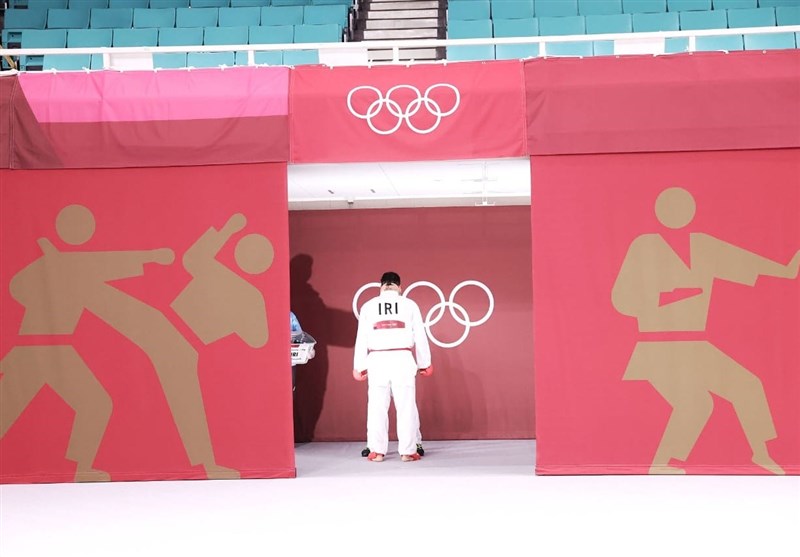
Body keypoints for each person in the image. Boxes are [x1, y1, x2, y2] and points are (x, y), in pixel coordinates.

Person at [612, 187, 799, 475]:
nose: (678, 212)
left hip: (695, 344)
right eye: (672, 207)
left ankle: (761, 454)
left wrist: (786, 271)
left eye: (683, 206)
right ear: (661, 211)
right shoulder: (645, 245)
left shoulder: (702, 245)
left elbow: (743, 261)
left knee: (747, 385)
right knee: (696, 404)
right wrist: (666, 296)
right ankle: (662, 464)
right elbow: (621, 299)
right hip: (657, 345)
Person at [352, 272, 433, 462]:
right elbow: (420, 335)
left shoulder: (368, 306)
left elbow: (361, 337)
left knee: (376, 406)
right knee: (406, 406)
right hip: (402, 359)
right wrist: (425, 363)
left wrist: (359, 366)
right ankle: (408, 451)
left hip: (377, 360)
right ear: (400, 287)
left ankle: (376, 451)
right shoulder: (409, 305)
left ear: (381, 286)